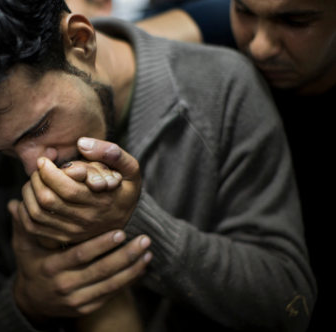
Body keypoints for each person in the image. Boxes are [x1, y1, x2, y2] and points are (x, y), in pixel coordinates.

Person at [0, 0, 316, 331]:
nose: (35, 167)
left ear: (80, 41)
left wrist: (136, 220)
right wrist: (27, 304)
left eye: (40, 127)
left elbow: (289, 305)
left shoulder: (222, 88)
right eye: (0, 150)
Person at [138, 1, 335, 329]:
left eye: (296, 21)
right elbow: (100, 55)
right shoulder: (212, 27)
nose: (259, 46)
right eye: (243, 11)